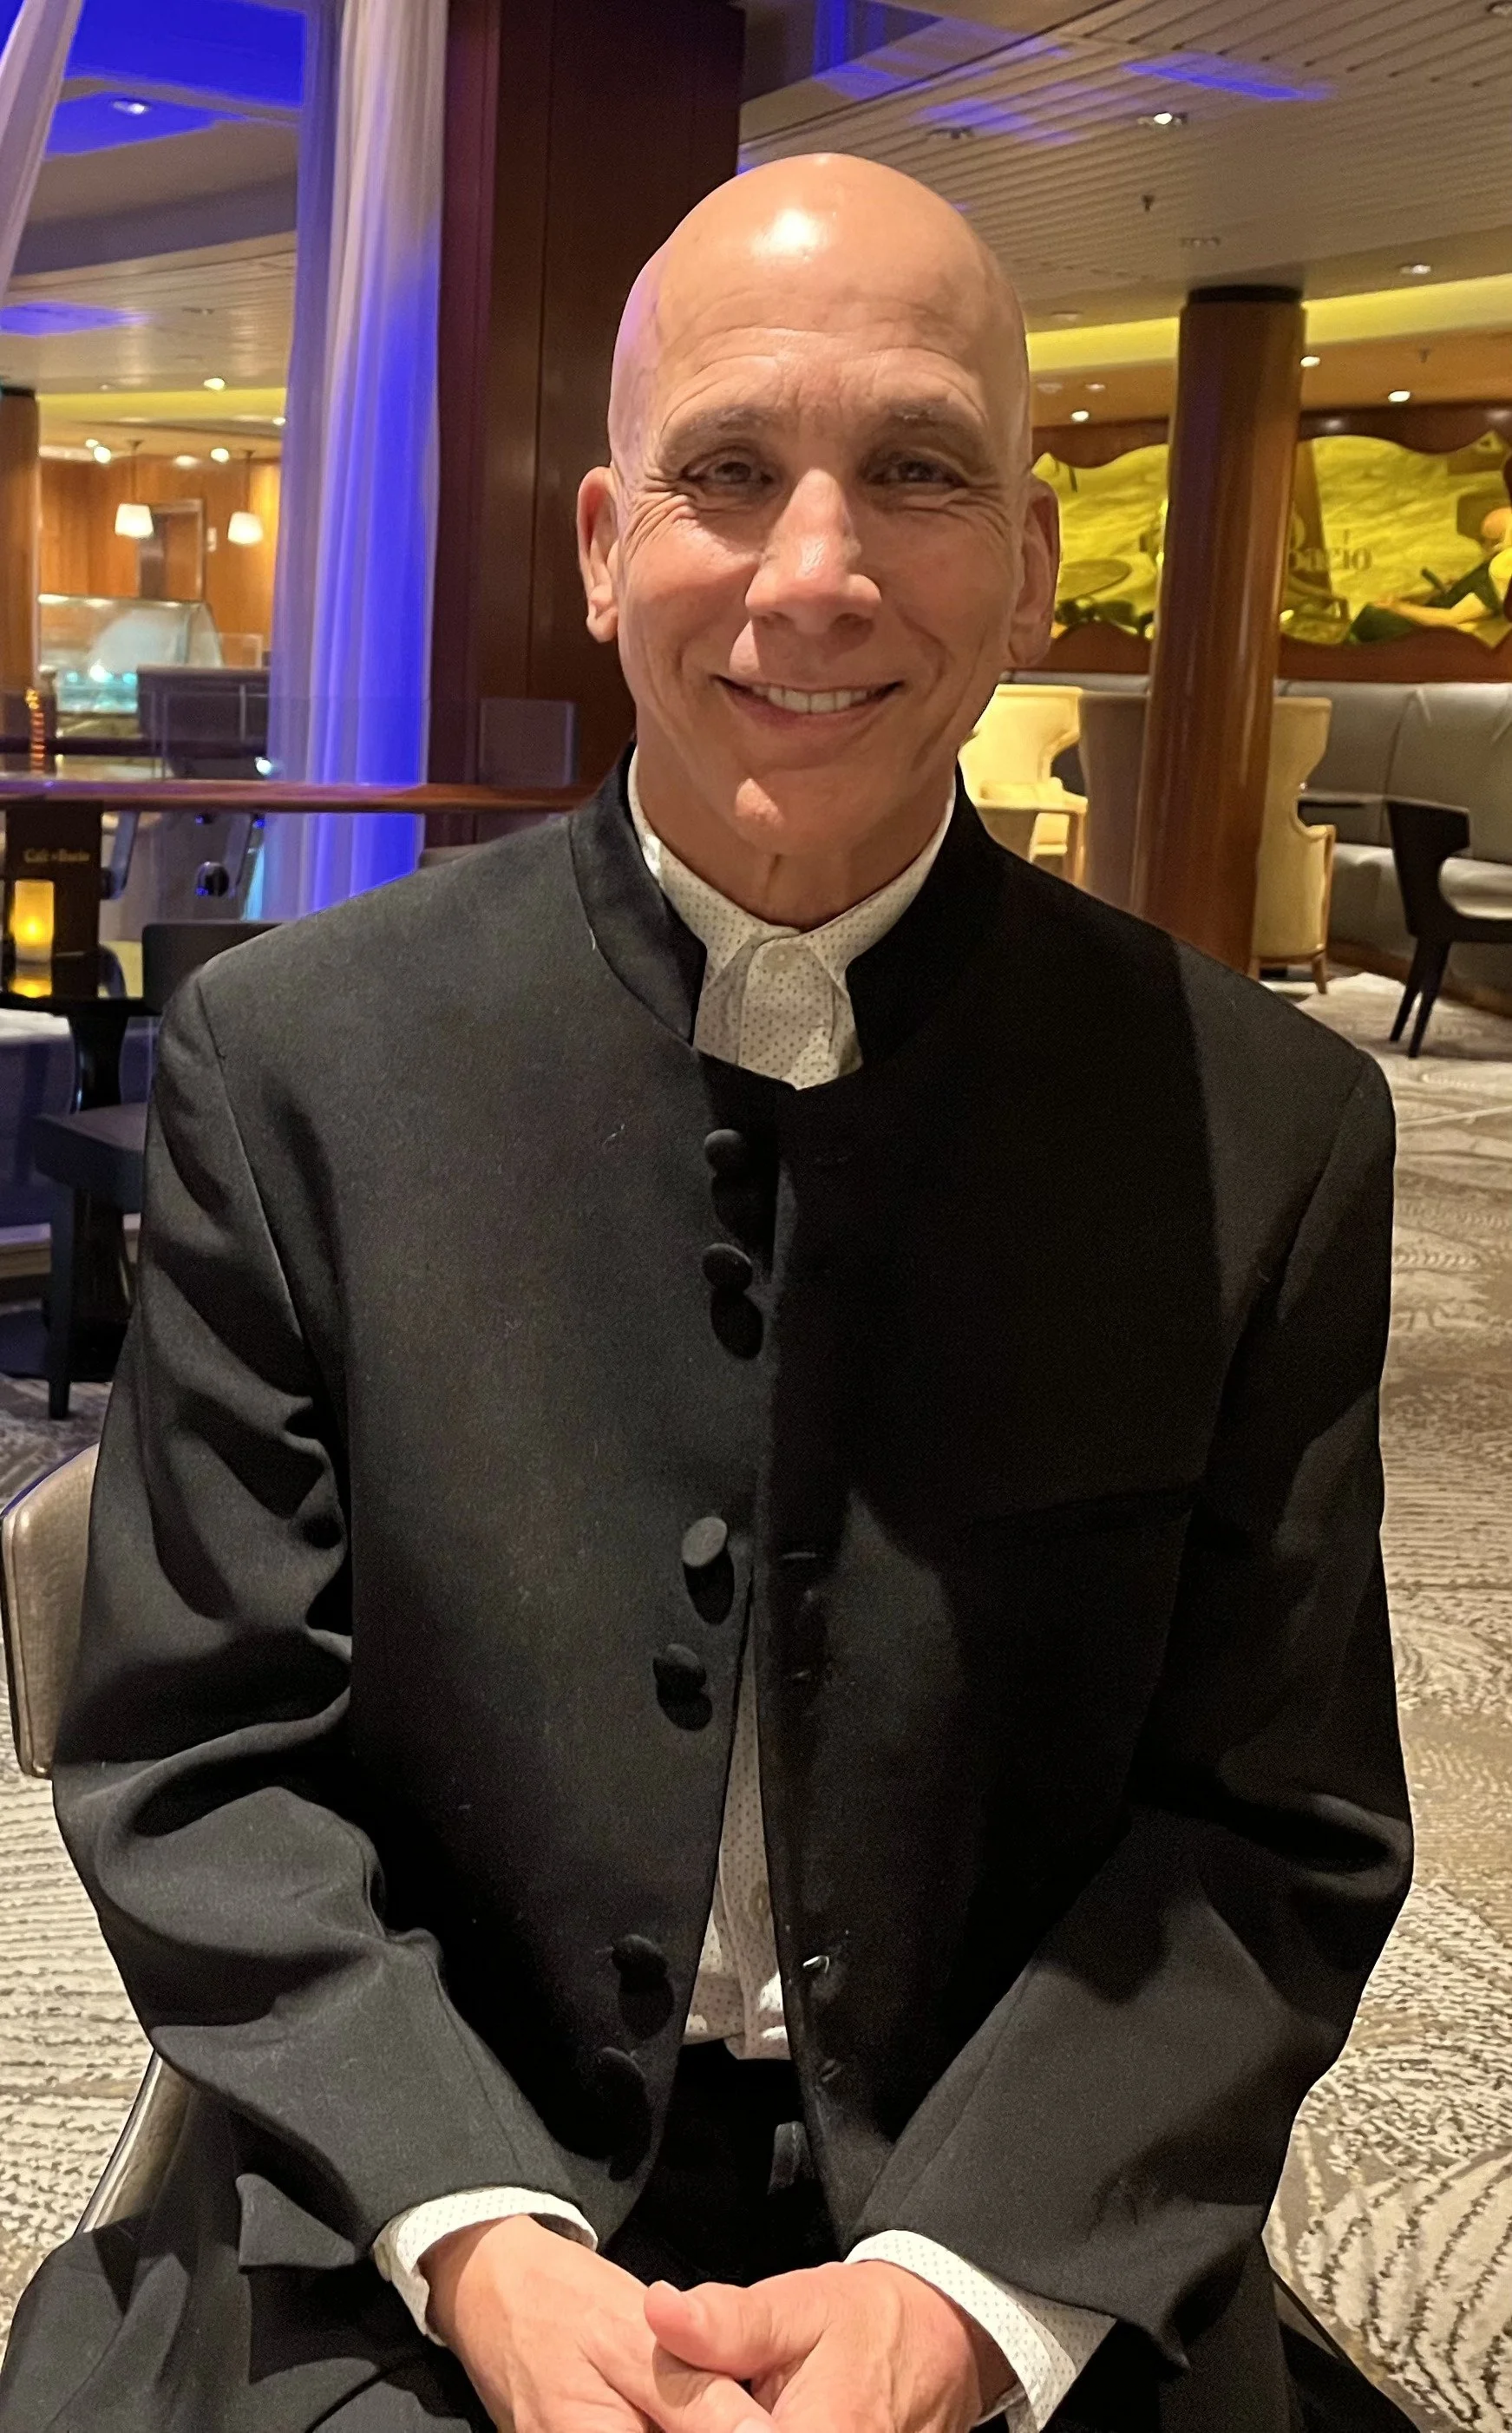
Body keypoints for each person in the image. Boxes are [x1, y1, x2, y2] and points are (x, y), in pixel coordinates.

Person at [0, 154, 1411, 2433]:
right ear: (600, 546)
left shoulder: (1269, 1128)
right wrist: (475, 2233)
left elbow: (1271, 1826)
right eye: (727, 471)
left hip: (1003, 2196)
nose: (812, 570)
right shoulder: (297, 1062)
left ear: (1029, 555)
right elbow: (199, 1752)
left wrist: (954, 2295)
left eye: (916, 470)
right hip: (415, 2179)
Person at [1349, 502, 1512, 642]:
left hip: (1440, 636)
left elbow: (1451, 617)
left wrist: (1398, 607)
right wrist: (1453, 588)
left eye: (1486, 540)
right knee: (1373, 616)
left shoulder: (1499, 575)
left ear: (1499, 542)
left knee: (1372, 617)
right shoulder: (1491, 565)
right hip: (1432, 622)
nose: (1482, 545)